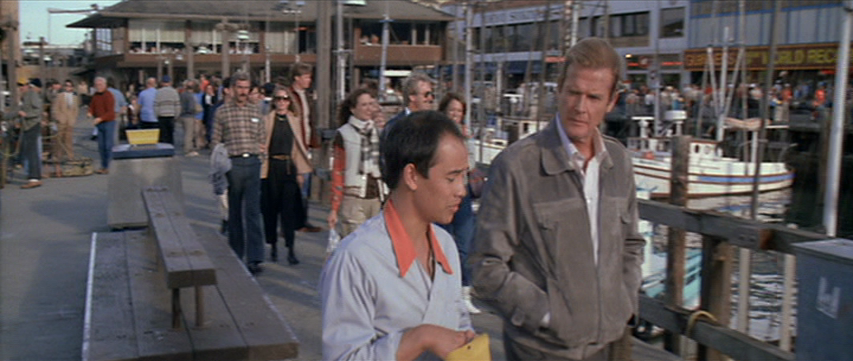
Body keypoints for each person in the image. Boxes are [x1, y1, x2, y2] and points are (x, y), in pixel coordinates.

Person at [469, 37, 645, 361]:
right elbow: (485, 267)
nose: (581, 107)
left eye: (593, 97)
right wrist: (549, 315)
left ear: (611, 101)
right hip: (538, 349)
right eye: (574, 93)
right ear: (560, 89)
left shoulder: (619, 162)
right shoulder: (517, 166)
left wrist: (624, 303)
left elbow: (631, 243)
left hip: (606, 345)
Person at [320, 110, 475, 360]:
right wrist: (418, 338)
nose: (462, 190)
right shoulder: (355, 259)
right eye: (452, 177)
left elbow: (458, 319)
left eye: (464, 176)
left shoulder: (445, 245)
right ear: (412, 176)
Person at [211, 72, 267, 275]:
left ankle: (255, 258)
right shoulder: (222, 112)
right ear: (232, 89)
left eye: (246, 88)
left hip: (252, 162)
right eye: (240, 87)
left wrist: (261, 157)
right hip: (232, 165)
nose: (243, 91)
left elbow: (262, 138)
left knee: (252, 212)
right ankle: (236, 253)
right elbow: (216, 141)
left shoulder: (256, 110)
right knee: (234, 212)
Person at [436, 92, 481, 315]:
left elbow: (470, 162)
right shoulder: (436, 133)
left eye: (459, 111)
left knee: (466, 244)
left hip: (461, 194)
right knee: (441, 244)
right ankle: (443, 292)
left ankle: (465, 292)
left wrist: (465, 143)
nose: (455, 115)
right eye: (452, 110)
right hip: (441, 193)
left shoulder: (466, 135)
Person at [327, 88, 386, 245]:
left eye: (370, 104)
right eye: (364, 105)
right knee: (355, 245)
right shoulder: (344, 134)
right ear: (353, 109)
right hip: (353, 197)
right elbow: (338, 171)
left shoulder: (378, 132)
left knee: (375, 247)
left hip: (376, 197)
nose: (368, 109)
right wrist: (334, 207)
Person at [261, 87, 312, 265]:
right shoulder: (267, 120)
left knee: (288, 210)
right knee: (270, 210)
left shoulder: (294, 120)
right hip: (271, 168)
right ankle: (273, 246)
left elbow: (297, 148)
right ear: (274, 101)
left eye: (285, 99)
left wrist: (300, 171)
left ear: (290, 101)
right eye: (278, 99)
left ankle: (290, 248)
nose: (282, 102)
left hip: (289, 167)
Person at [288, 63, 322, 233]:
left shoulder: (307, 96)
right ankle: (291, 221)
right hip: (294, 145)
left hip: (306, 142)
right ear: (297, 78)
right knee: (295, 182)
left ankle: (301, 220)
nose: (309, 80)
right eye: (306, 77)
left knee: (304, 182)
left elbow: (310, 120)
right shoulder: (288, 96)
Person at [382, 72, 435, 139]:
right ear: (412, 96)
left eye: (432, 94)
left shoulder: (436, 125)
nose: (430, 98)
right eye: (426, 95)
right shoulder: (394, 126)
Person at [15, 79, 44, 189]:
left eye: (22, 85)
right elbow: (20, 110)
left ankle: (34, 178)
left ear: (29, 86)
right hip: (28, 126)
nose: (21, 88)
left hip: (32, 125)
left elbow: (38, 110)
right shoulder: (26, 95)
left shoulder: (32, 95)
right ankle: (35, 176)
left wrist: (27, 115)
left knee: (32, 153)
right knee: (31, 152)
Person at [89, 77, 116, 175]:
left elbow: (110, 112)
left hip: (108, 122)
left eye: (100, 85)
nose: (98, 87)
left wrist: (100, 118)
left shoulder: (109, 95)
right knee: (101, 146)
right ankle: (103, 166)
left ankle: (109, 166)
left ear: (105, 85)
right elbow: (92, 106)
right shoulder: (96, 95)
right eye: (96, 85)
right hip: (99, 123)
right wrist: (90, 112)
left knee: (108, 146)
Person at [51, 79, 80, 161]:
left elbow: (76, 109)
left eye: (70, 86)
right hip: (61, 120)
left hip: (70, 121)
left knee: (69, 140)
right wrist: (58, 118)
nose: (68, 87)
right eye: (66, 86)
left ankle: (70, 156)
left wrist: (74, 118)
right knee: (59, 140)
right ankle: (57, 156)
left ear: (72, 87)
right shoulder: (60, 95)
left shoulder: (75, 97)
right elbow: (55, 108)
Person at [154, 75, 180, 144]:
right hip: (171, 115)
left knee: (163, 134)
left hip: (161, 115)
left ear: (162, 83)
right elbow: (177, 105)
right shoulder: (174, 92)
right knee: (170, 134)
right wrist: (176, 115)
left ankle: (164, 149)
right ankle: (170, 148)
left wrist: (156, 115)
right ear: (170, 82)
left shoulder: (158, 92)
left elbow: (156, 105)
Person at [179, 79, 201, 156]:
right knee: (189, 134)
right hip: (189, 116)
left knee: (186, 133)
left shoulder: (182, 94)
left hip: (183, 116)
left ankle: (188, 148)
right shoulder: (190, 96)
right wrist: (196, 111)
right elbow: (191, 107)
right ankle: (188, 150)